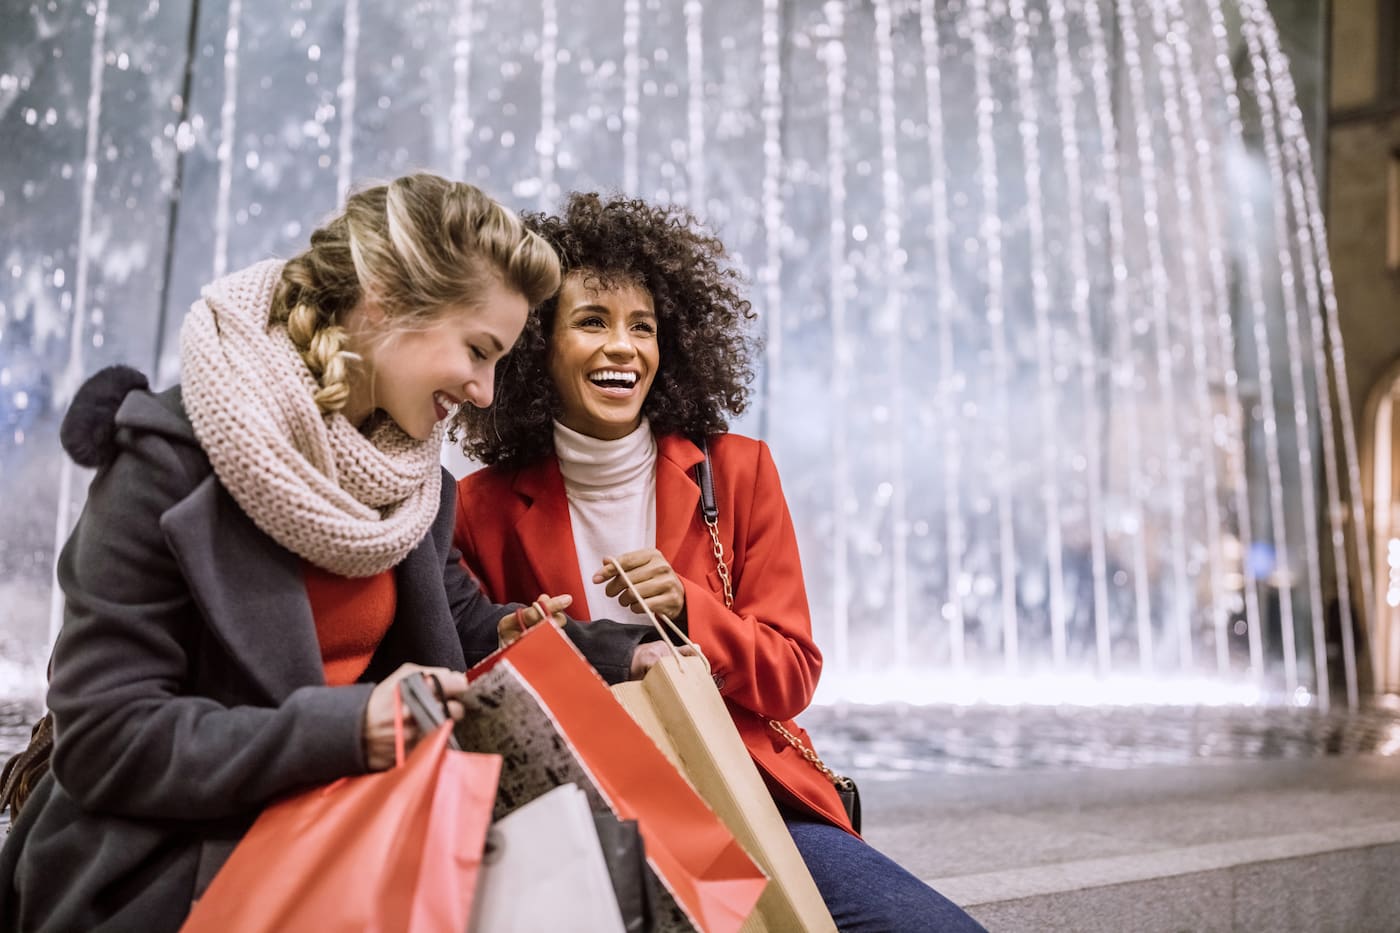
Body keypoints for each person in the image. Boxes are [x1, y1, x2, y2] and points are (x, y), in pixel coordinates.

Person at [0, 174, 655, 932]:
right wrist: (347, 727)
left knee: (601, 872)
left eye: (500, 361)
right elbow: (107, 740)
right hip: (164, 862)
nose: (484, 390)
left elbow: (467, 630)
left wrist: (622, 652)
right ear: (383, 302)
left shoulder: (412, 487)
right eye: (478, 350)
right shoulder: (169, 462)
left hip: (338, 824)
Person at [451, 192, 988, 932]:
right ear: (538, 343)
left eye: (643, 326)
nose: (623, 347)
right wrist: (525, 638)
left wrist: (685, 609)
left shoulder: (738, 471)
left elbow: (793, 671)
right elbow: (474, 674)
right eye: (592, 322)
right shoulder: (478, 508)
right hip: (584, 817)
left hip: (746, 793)